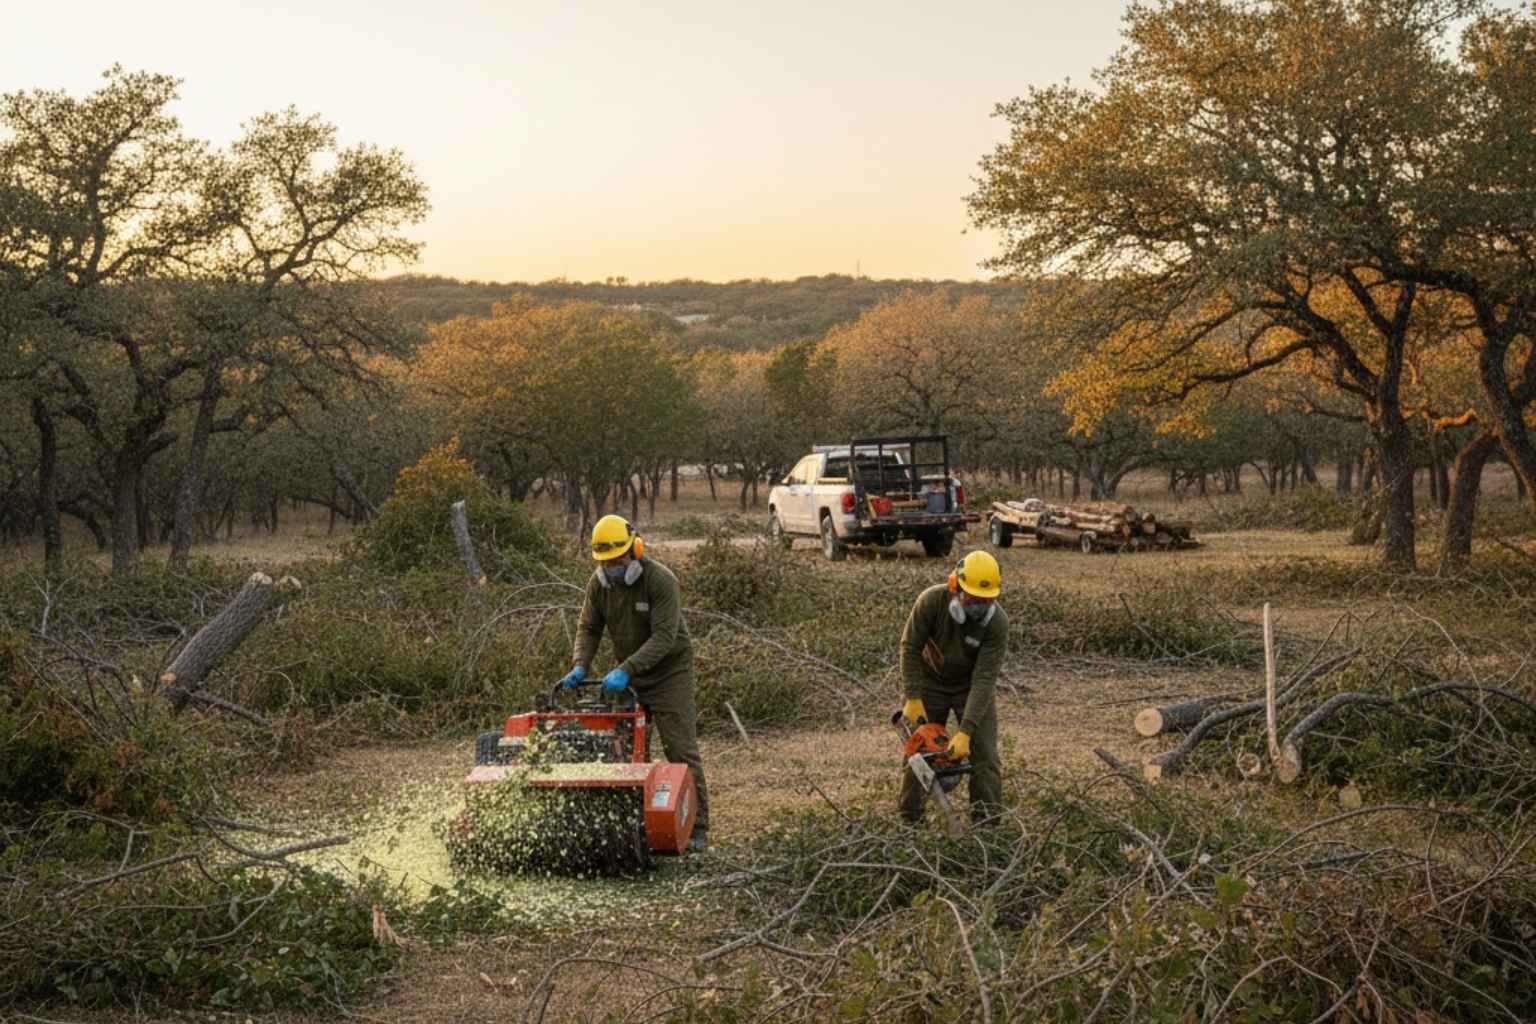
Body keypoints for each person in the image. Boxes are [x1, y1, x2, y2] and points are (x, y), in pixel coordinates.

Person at [561, 514, 711, 851]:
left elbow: (664, 637)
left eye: (616, 561)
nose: (611, 568)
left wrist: (625, 669)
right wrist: (580, 665)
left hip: (669, 674)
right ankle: (632, 823)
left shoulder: (661, 581)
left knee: (680, 749)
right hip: (628, 675)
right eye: (605, 562)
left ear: (635, 551)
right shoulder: (599, 585)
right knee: (622, 750)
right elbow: (588, 628)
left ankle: (698, 827)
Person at [897, 549, 1008, 824]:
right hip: (930, 683)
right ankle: (910, 821)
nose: (979, 605)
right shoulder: (931, 602)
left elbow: (984, 680)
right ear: (955, 586)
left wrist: (966, 732)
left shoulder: (996, 623)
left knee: (986, 758)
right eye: (973, 598)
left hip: (970, 688)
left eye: (986, 599)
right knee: (918, 751)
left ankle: (988, 826)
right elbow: (910, 647)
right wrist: (913, 696)